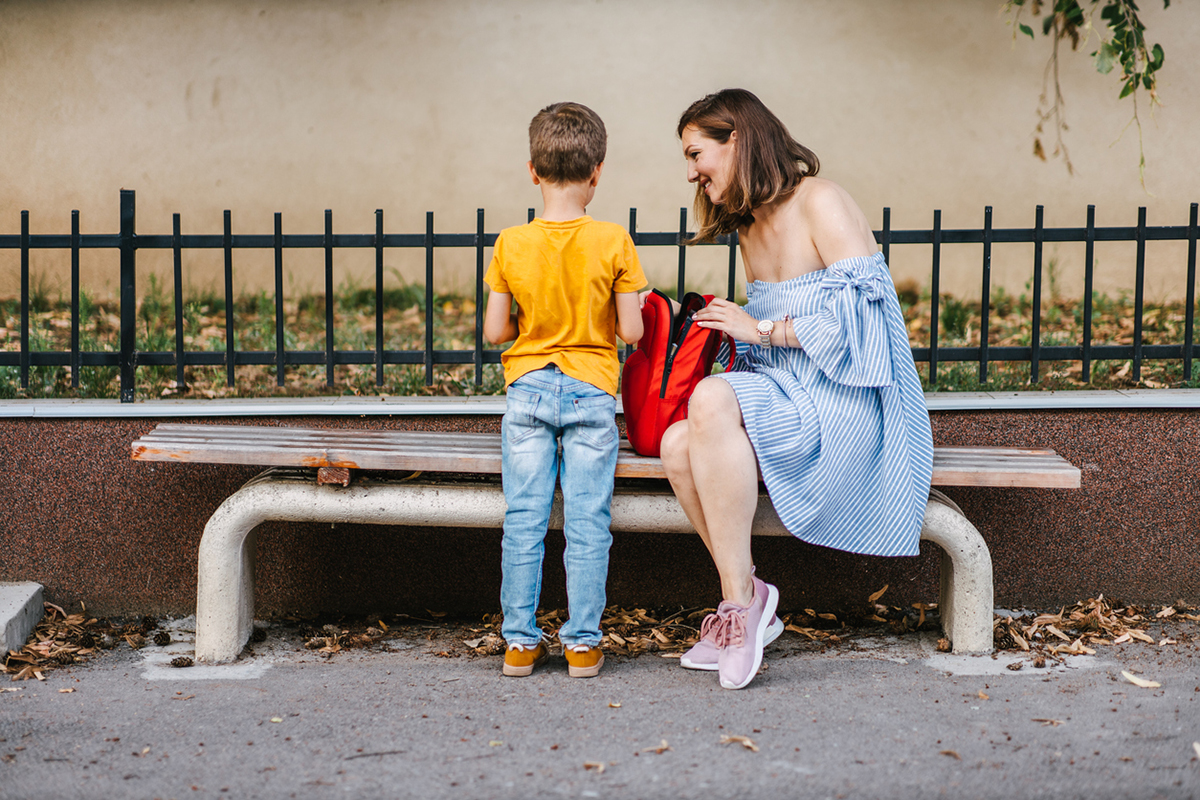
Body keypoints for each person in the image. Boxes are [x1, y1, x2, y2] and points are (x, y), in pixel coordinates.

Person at [658, 89, 933, 690]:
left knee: (711, 400)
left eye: (696, 154)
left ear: (737, 140)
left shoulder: (822, 201)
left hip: (850, 399)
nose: (691, 173)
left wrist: (758, 329)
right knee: (677, 446)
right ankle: (747, 597)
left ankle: (740, 609)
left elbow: (866, 329)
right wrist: (723, 331)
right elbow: (763, 345)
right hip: (788, 392)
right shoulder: (748, 227)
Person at [483, 101, 647, 679]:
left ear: (533, 171)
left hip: (528, 388)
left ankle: (519, 644)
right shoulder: (613, 240)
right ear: (597, 172)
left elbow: (494, 332)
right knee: (586, 522)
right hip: (590, 389)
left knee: (523, 519)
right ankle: (581, 644)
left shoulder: (510, 243)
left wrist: (534, 322)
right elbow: (632, 331)